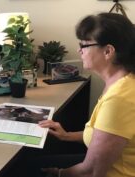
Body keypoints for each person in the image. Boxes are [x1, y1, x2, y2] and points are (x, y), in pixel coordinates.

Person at [36, 13, 135, 177]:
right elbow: (104, 135)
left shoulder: (119, 98)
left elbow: (91, 172)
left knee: (23, 166)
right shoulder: (122, 82)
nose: (79, 50)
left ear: (108, 51)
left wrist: (59, 173)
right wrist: (66, 136)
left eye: (84, 45)